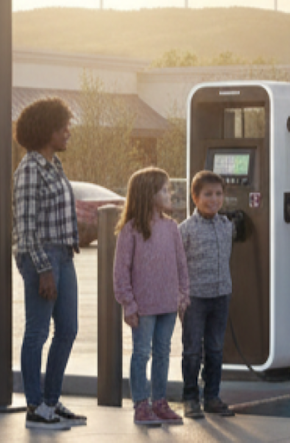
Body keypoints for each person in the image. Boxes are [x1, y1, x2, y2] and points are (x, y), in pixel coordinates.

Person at [12, 97, 88, 430]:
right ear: (47, 131)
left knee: (68, 329)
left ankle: (52, 401)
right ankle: (34, 405)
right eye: (63, 127)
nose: (68, 132)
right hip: (41, 259)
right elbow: (26, 229)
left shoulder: (54, 164)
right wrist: (44, 270)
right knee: (37, 332)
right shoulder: (30, 169)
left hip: (63, 255)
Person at [113, 167, 189, 427]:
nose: (171, 193)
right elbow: (121, 270)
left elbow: (181, 265)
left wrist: (183, 295)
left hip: (168, 305)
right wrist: (128, 303)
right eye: (165, 189)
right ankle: (141, 404)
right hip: (143, 307)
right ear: (148, 194)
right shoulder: (130, 229)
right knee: (141, 353)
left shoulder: (171, 227)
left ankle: (160, 402)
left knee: (163, 352)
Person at [178, 171, 246, 419]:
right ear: (195, 198)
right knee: (193, 349)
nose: (214, 199)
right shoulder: (184, 230)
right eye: (207, 194)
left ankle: (212, 397)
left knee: (216, 349)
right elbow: (177, 265)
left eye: (218, 194)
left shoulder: (227, 226)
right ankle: (190, 398)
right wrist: (180, 295)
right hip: (194, 299)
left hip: (220, 296)